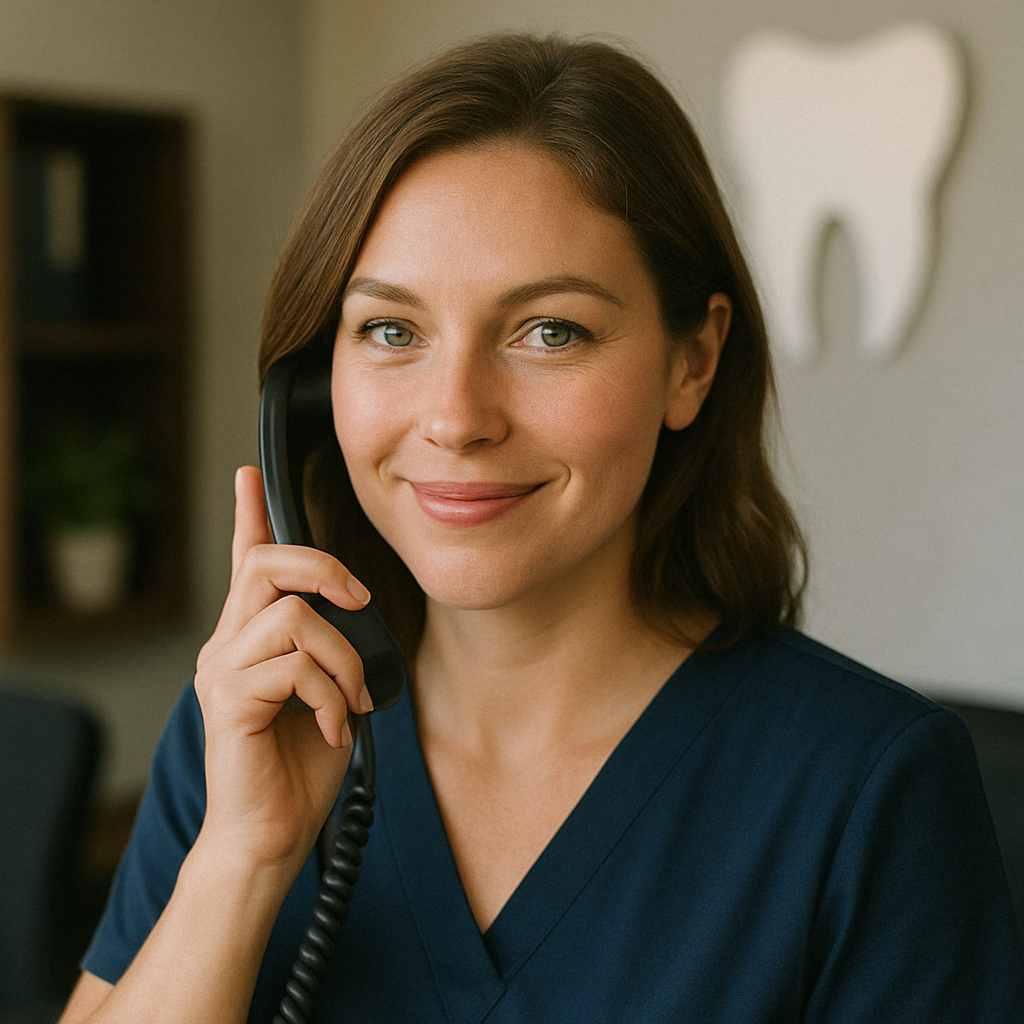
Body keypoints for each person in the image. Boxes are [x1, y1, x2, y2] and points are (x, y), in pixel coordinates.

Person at [61, 34, 1022, 1024]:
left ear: (692, 362)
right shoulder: (252, 717)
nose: (455, 418)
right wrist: (240, 859)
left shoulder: (870, 786)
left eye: (550, 332)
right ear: (312, 388)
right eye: (391, 331)